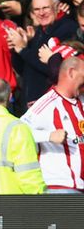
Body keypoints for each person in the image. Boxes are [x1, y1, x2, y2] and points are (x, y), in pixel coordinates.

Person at [21, 56, 84, 192]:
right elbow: (18, 131)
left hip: (80, 187)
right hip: (60, 186)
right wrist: (48, 136)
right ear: (71, 73)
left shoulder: (80, 103)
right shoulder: (47, 103)